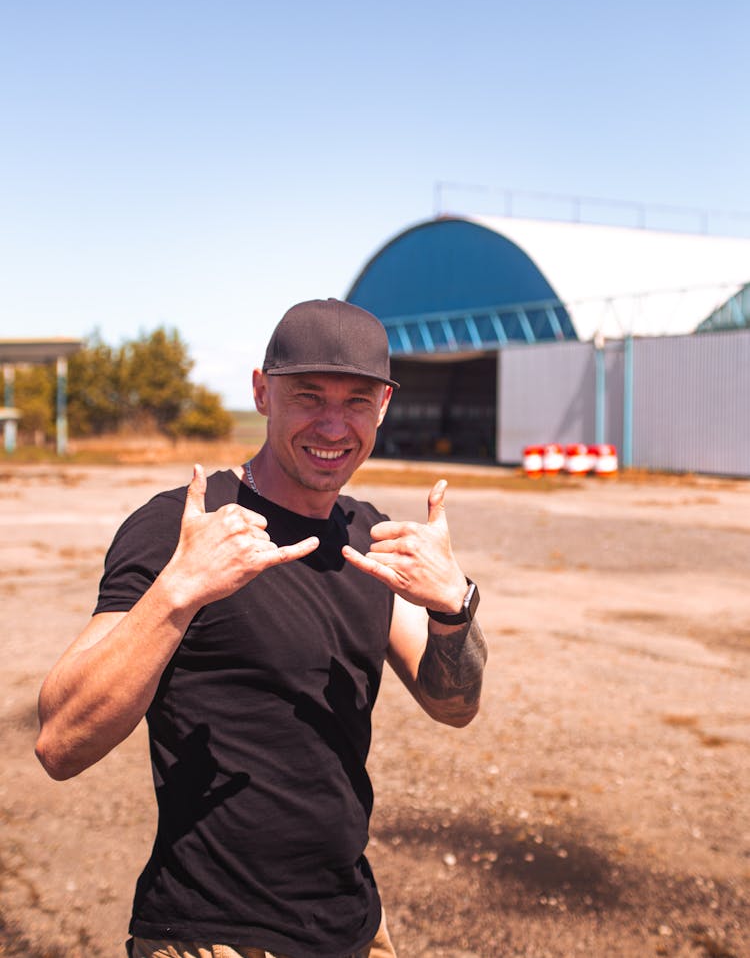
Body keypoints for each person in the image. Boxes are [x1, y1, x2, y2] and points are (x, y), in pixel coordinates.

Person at [36, 298, 488, 958]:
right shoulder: (181, 529)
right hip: (210, 936)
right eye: (309, 396)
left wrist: (455, 606)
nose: (334, 425)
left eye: (357, 401)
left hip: (356, 927)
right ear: (261, 392)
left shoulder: (368, 535)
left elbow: (454, 706)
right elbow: (59, 740)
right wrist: (179, 591)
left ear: (384, 406)